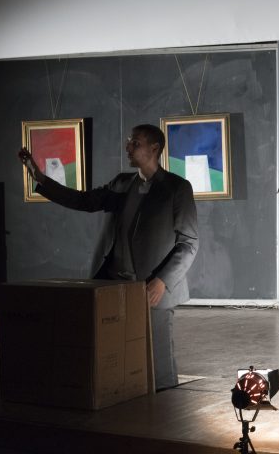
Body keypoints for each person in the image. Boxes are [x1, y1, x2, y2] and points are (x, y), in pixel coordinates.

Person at [18, 124, 199, 391]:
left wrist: (162, 280)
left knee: (159, 368)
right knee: (113, 353)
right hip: (113, 282)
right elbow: (83, 201)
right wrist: (40, 178)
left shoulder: (177, 188)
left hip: (152, 287)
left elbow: (189, 243)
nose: (128, 147)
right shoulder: (122, 184)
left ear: (154, 148)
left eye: (135, 143)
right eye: (129, 141)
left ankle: (166, 409)